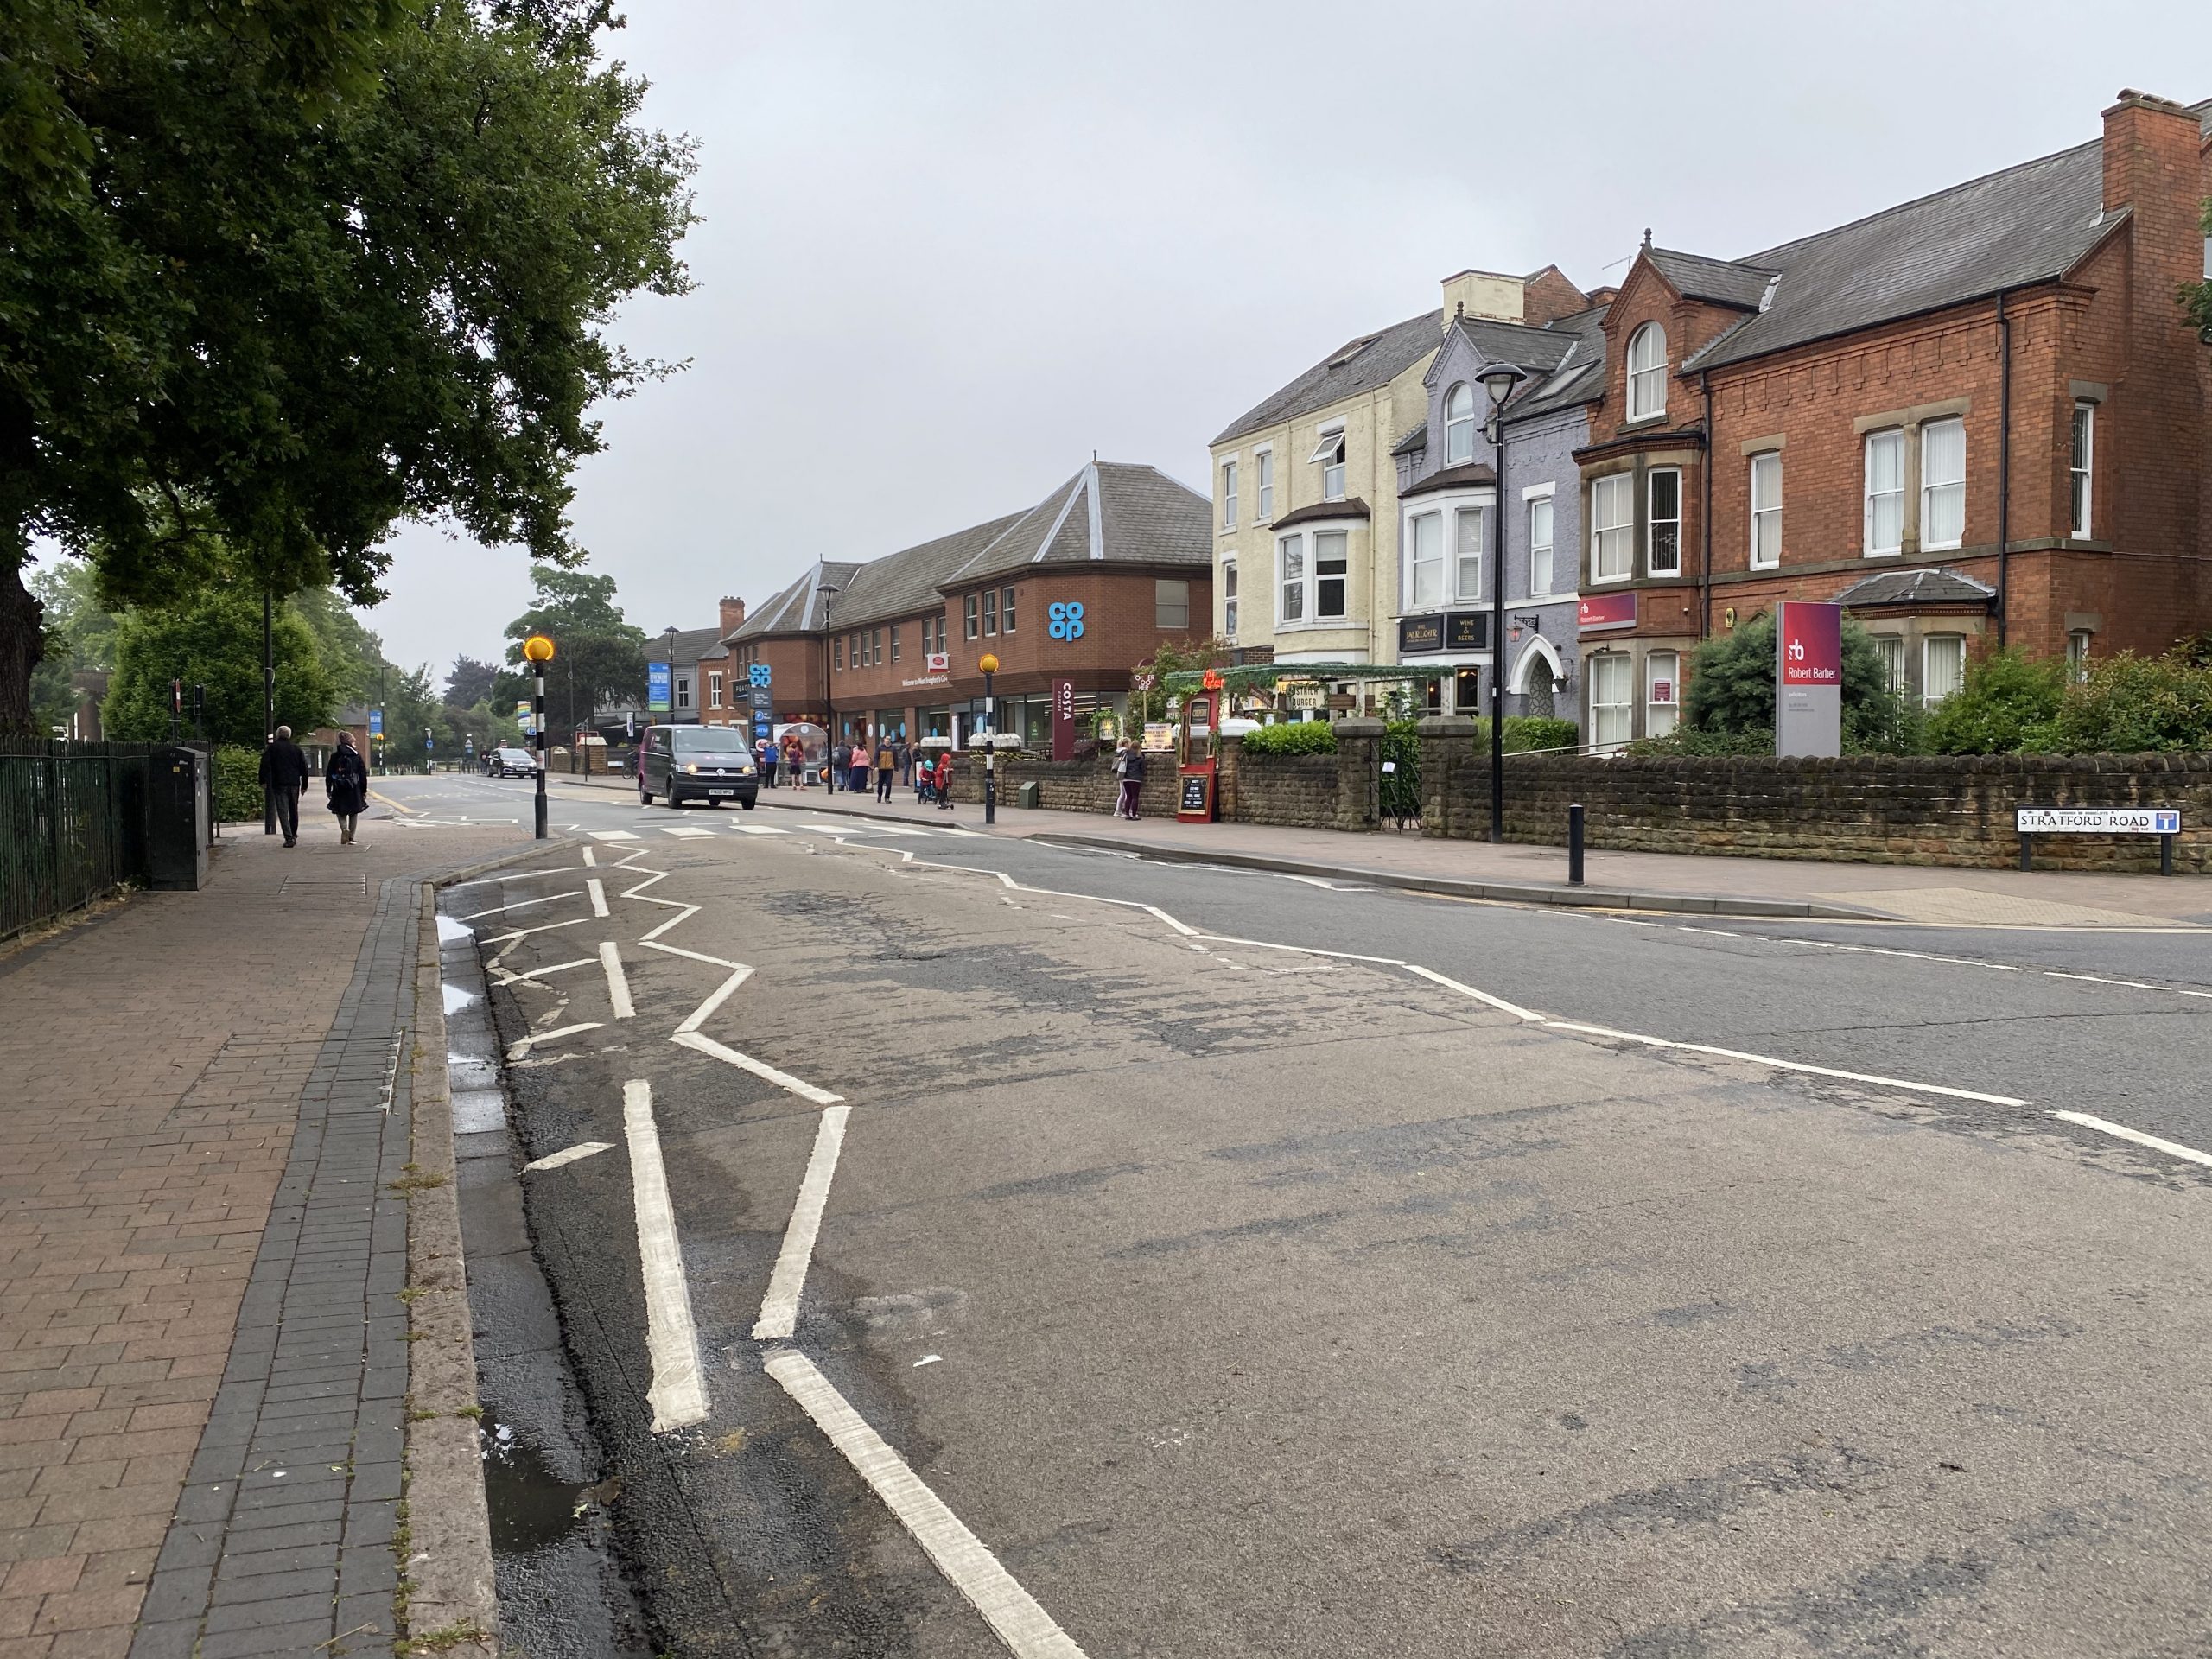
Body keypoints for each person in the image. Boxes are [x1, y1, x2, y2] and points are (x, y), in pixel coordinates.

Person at [258, 724, 310, 846]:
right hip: (294, 784)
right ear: (289, 735)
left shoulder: (272, 748)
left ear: (277, 734)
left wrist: (263, 780)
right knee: (293, 810)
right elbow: (304, 768)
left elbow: (264, 764)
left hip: (279, 783)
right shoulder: (296, 749)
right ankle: (293, 833)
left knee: (282, 811)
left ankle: (289, 837)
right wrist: (304, 785)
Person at [326, 731, 370, 845]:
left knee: (340, 812)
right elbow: (362, 773)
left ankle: (344, 829)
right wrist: (364, 789)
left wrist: (328, 788)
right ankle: (351, 837)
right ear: (349, 742)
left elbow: (329, 773)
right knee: (354, 812)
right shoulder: (356, 756)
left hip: (338, 787)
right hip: (353, 787)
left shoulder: (335, 756)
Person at [1116, 739, 1146, 821]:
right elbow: (1142, 769)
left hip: (1126, 778)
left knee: (1128, 796)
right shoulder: (1140, 756)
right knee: (1135, 797)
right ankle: (1133, 814)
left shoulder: (1126, 754)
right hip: (1136, 779)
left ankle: (1127, 814)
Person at [874, 734, 895, 803]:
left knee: (889, 783)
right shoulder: (880, 748)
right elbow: (876, 757)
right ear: (884, 739)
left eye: (889, 739)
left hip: (890, 768)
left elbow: (895, 758)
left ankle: (887, 797)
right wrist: (876, 766)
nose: (888, 740)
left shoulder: (893, 748)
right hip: (881, 768)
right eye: (887, 739)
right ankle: (879, 795)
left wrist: (896, 766)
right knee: (880, 783)